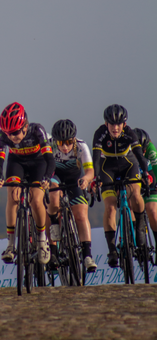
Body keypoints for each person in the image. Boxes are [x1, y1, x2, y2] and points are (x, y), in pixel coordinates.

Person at [0, 102, 55, 264]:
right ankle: (11, 244)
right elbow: (0, 160)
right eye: (8, 133)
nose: (11, 137)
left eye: (14, 132)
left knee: (36, 200)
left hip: (38, 162)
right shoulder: (3, 135)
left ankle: (42, 240)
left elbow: (49, 159)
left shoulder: (37, 130)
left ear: (25, 126)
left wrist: (47, 177)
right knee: (13, 196)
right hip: (17, 161)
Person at [93, 104, 149, 268]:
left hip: (128, 164)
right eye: (112, 124)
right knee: (110, 206)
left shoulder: (129, 132)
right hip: (107, 168)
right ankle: (112, 249)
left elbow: (139, 154)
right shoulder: (100, 134)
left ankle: (139, 227)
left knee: (136, 196)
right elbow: (96, 158)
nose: (115, 128)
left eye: (119, 124)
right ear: (106, 123)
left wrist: (145, 171)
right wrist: (96, 178)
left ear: (124, 124)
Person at [47, 119, 97, 272]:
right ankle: (54, 246)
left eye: (68, 142)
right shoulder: (49, 146)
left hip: (74, 180)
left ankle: (87, 255)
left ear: (74, 139)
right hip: (55, 177)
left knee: (81, 215)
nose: (64, 146)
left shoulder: (81, 146)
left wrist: (86, 180)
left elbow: (89, 171)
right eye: (61, 142)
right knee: (54, 197)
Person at [133, 128, 157, 260]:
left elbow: (156, 168)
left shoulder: (150, 148)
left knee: (152, 211)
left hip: (150, 177)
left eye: (141, 152)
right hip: (133, 179)